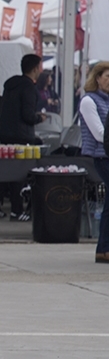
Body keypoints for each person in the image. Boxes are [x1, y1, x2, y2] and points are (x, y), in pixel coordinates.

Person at [0, 53, 48, 221]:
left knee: (4, 171)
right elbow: (28, 115)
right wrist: (40, 118)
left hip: (5, 132)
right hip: (21, 136)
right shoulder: (29, 88)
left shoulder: (10, 85)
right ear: (35, 68)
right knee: (19, 173)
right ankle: (17, 210)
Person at [77, 61, 109, 264]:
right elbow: (99, 134)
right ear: (97, 78)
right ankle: (103, 248)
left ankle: (104, 248)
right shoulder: (89, 101)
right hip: (102, 156)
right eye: (107, 76)